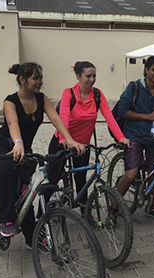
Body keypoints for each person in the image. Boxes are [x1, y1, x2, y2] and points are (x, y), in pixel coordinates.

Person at [0, 62, 85, 243]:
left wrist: (70, 140)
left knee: (26, 192)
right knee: (7, 172)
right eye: (35, 78)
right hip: (0, 146)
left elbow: (56, 119)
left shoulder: (41, 99)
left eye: (41, 77)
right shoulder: (10, 101)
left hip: (22, 150)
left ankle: (31, 239)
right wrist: (18, 143)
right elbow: (13, 124)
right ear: (22, 80)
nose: (40, 82)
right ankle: (6, 220)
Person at [47, 61, 131, 212]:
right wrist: (64, 139)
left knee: (81, 180)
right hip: (62, 141)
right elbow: (63, 117)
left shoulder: (97, 95)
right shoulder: (69, 93)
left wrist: (121, 137)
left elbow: (110, 118)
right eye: (88, 76)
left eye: (94, 76)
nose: (92, 79)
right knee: (52, 179)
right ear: (78, 77)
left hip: (82, 145)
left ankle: (85, 215)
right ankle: (41, 216)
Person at [115, 55, 154, 220]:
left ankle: (151, 206)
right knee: (131, 175)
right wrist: (147, 117)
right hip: (134, 136)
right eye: (153, 69)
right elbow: (122, 111)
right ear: (146, 70)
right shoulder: (134, 87)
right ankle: (114, 208)